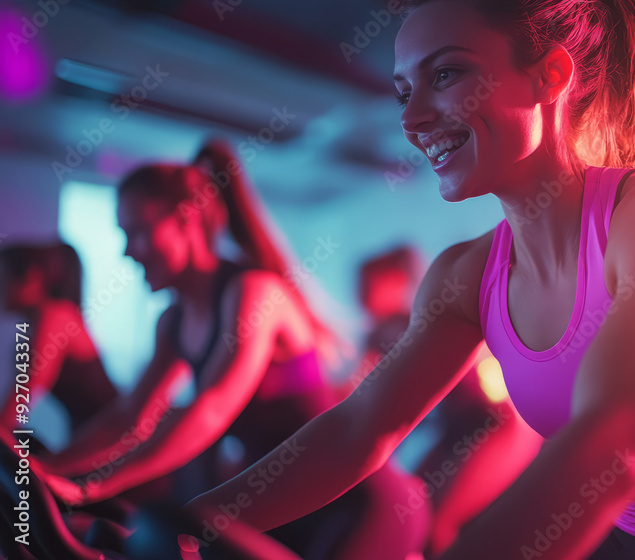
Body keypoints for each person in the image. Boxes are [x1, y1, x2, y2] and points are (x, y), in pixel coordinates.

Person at [184, 1, 635, 558]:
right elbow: (360, 429)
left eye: (447, 74)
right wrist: (190, 523)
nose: (412, 116)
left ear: (550, 76)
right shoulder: (463, 277)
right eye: (404, 90)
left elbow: (619, 447)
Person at [43, 140, 430, 559]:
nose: (127, 252)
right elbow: (129, 417)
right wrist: (48, 470)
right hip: (281, 508)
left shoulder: (253, 294)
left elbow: (211, 406)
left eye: (137, 231)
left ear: (185, 218)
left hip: (356, 502)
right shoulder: (172, 322)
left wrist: (89, 486)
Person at [355, 245, 543, 556]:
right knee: (410, 513)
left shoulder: (409, 324)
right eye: (359, 286)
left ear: (396, 283)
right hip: (456, 432)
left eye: (368, 285)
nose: (362, 295)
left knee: (436, 523)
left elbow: (377, 397)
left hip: (495, 428)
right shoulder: (382, 334)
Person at [0, 242, 119, 442]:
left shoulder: (56, 317)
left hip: (117, 444)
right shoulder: (38, 324)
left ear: (31, 278)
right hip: (90, 440)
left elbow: (24, 393)